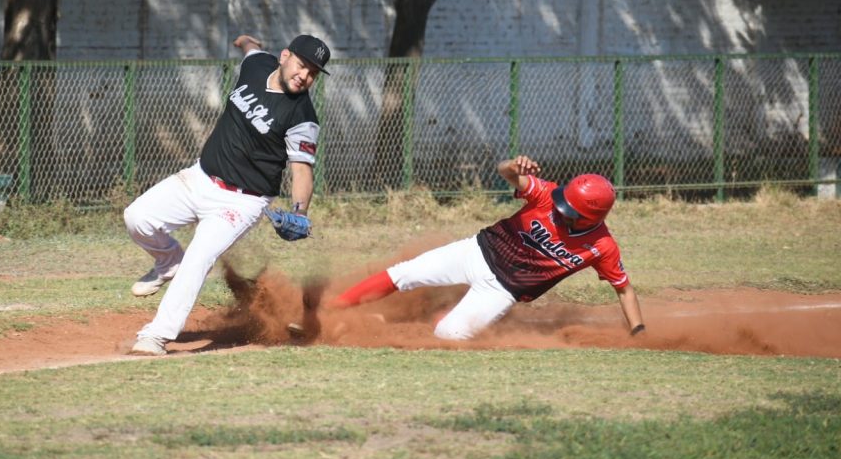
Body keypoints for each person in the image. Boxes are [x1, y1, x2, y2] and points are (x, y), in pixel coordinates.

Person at [124, 32, 331, 355]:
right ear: (284, 56)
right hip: (200, 177)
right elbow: (252, 49)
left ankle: (156, 336)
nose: (304, 75)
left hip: (241, 201)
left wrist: (300, 211)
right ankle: (168, 261)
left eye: (313, 72)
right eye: (302, 65)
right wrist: (244, 40)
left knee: (198, 258)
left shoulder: (302, 117)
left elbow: (302, 169)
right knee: (137, 217)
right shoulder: (256, 66)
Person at [328, 155, 645, 341]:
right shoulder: (547, 194)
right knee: (405, 273)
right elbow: (504, 171)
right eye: (564, 202)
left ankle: (407, 322)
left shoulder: (602, 246)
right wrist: (515, 165)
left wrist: (638, 330)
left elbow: (624, 289)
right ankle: (333, 307)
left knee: (449, 335)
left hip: (501, 290)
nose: (561, 210)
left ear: (592, 217)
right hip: (476, 252)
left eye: (571, 212)